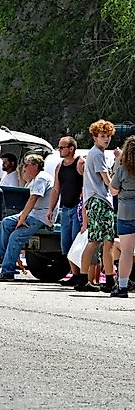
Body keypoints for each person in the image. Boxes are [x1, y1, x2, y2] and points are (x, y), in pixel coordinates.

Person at [0, 154, 55, 281]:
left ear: (35, 166)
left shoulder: (41, 178)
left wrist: (22, 218)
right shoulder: (35, 180)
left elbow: (34, 198)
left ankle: (7, 272)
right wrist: (22, 216)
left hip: (40, 217)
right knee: (6, 222)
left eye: (27, 165)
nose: (25, 168)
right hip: (33, 214)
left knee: (15, 237)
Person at [75, 120, 119, 292]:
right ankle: (101, 280)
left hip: (93, 200)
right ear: (95, 138)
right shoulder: (98, 154)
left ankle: (90, 279)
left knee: (99, 241)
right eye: (102, 136)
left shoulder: (94, 153)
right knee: (102, 241)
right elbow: (107, 181)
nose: (106, 139)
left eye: (107, 136)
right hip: (100, 200)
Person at [47, 136, 85, 286]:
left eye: (62, 147)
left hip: (78, 208)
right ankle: (74, 273)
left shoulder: (80, 163)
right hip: (65, 208)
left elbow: (88, 184)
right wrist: (51, 209)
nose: (59, 150)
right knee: (66, 244)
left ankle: (80, 275)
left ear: (71, 148)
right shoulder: (59, 166)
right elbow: (56, 189)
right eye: (59, 147)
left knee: (77, 242)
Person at [109, 135, 135, 297]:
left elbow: (113, 191)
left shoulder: (123, 170)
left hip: (126, 213)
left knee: (126, 251)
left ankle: (123, 287)